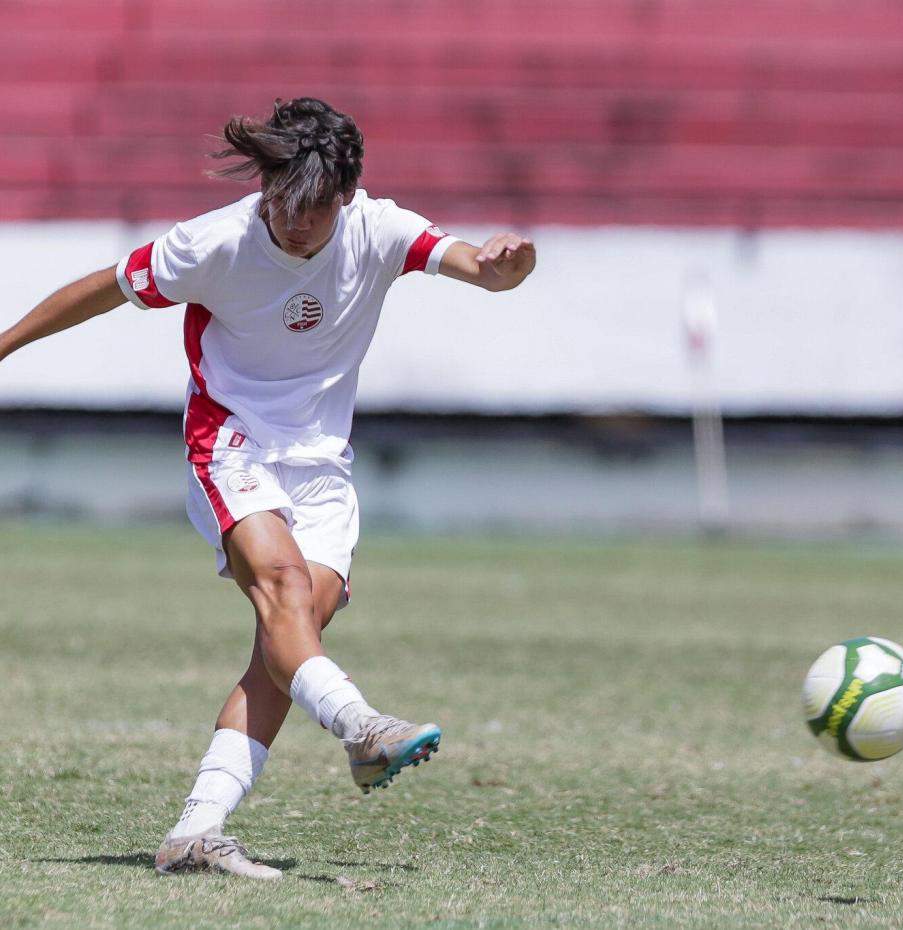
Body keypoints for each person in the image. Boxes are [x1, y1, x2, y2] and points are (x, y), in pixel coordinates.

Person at [0, 97, 535, 879]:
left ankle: (196, 829)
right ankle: (361, 725)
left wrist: (504, 269)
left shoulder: (378, 230)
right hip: (231, 439)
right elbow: (105, 286)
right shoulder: (215, 241)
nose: (293, 222)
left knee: (288, 650)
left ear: (345, 197)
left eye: (312, 209)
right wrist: (5, 346)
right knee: (283, 588)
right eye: (280, 200)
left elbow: (477, 268)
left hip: (323, 466)